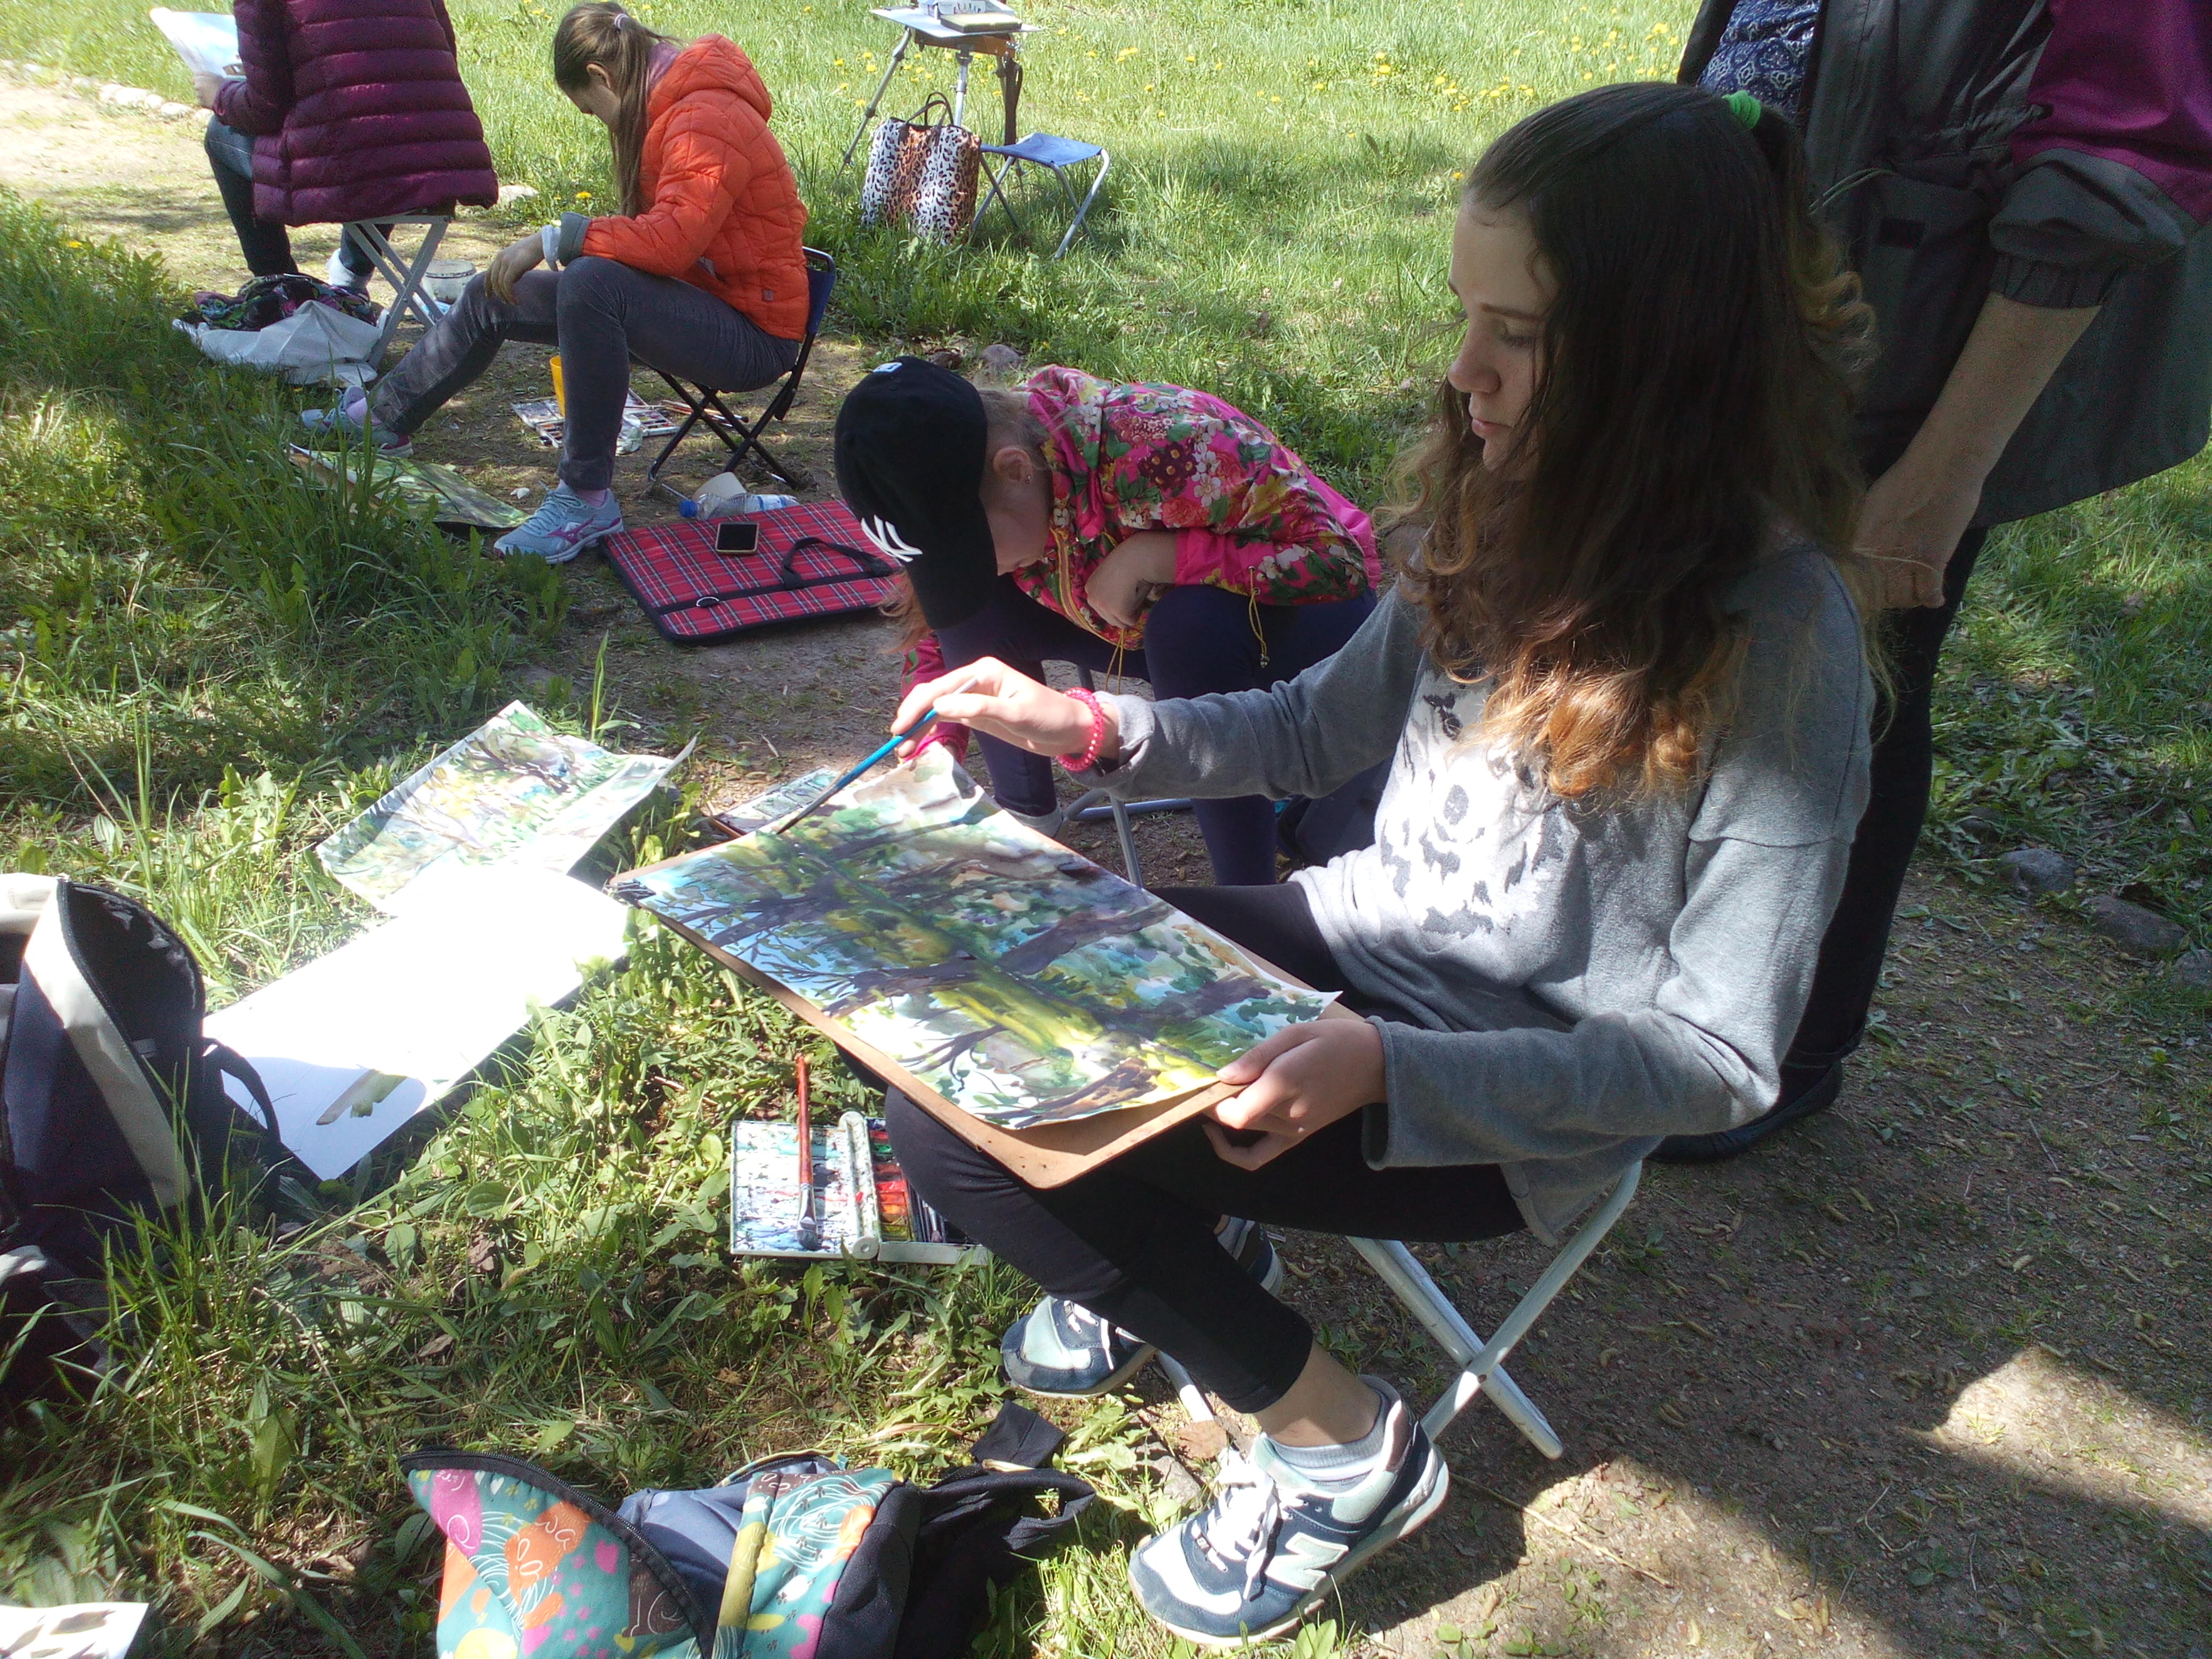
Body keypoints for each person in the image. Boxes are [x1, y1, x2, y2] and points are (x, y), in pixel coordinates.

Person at [875, 84, 1878, 1645]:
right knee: (971, 1010)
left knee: (965, 1139)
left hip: (1491, 1093)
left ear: (1667, 359)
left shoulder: (1783, 640)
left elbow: (1718, 1058)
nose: (1464, 372)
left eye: (1517, 334)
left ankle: (1339, 1443)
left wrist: (1385, 1068)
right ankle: (1180, 1231)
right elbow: (1303, 726)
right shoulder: (1506, 505)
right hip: (1349, 944)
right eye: (1465, 318)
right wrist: (1088, 725)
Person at [1657, 0, 2212, 1160]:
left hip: (1907, 346)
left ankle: (1775, 1048)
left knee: (1838, 685)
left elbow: (2114, 162)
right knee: (1699, 640)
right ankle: (1666, 986)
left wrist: (1944, 473)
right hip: (1754, 299)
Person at [833, 358, 1382, 885]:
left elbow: (1338, 564)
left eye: (972, 554)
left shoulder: (1162, 445)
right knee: (981, 606)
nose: (975, 570)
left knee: (1187, 627)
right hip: (1132, 627)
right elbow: (942, 617)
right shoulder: (974, 490)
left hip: (1304, 627)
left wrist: (1161, 556)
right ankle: (1025, 817)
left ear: (1016, 469)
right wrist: (938, 740)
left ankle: (1247, 895)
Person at [301, 2, 810, 562]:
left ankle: (585, 498)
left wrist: (553, 240)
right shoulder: (672, 107)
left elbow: (671, 242)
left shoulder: (704, 118)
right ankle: (384, 419)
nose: (598, 121)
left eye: (589, 108)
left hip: (752, 337)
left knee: (593, 282)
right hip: (695, 305)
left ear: (601, 77)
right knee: (496, 293)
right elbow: (660, 245)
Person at [194, 0, 497, 288]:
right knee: (385, 134)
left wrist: (220, 95)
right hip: (444, 164)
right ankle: (351, 276)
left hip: (358, 170)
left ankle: (279, 285)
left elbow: (265, 108)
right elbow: (441, 59)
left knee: (220, 134)